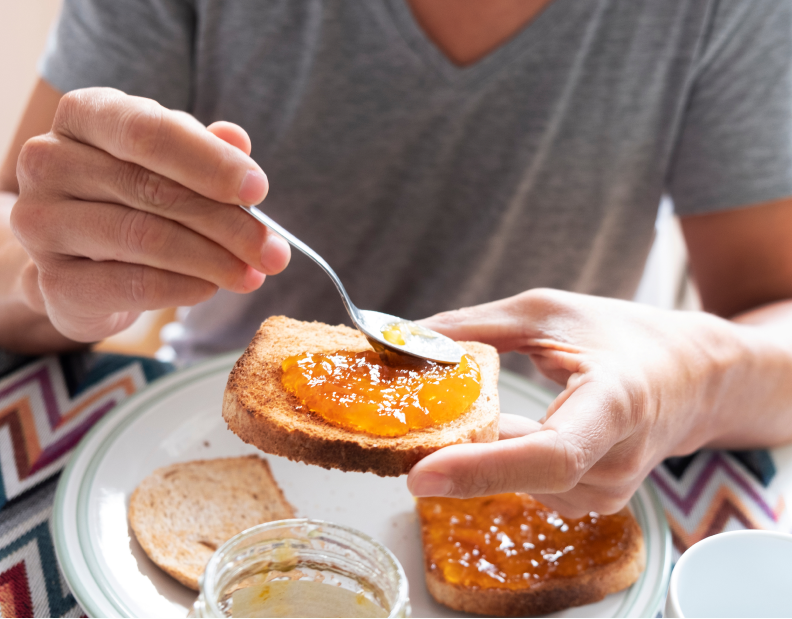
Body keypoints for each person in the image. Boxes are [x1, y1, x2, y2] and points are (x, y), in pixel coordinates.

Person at [1, 0, 792, 517]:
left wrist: (692, 372)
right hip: (202, 445)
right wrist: (52, 278)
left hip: (548, 477)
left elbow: (775, 318)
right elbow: (19, 222)